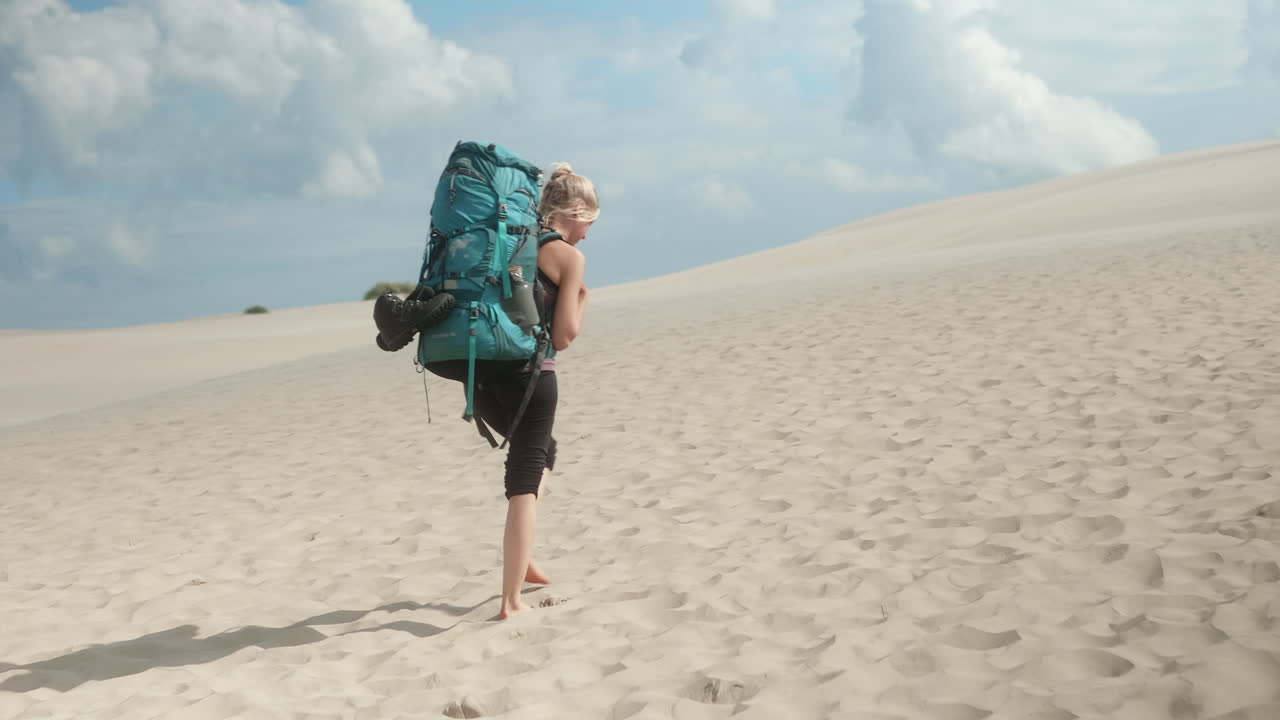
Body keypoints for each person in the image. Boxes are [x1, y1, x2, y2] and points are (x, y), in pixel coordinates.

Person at [426, 162, 597, 619]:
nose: (588, 235)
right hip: (530, 376)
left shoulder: (507, 240)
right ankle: (510, 599)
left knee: (546, 454)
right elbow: (563, 336)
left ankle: (526, 561)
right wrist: (581, 298)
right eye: (591, 223)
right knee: (525, 480)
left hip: (479, 370)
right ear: (577, 211)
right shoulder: (567, 256)